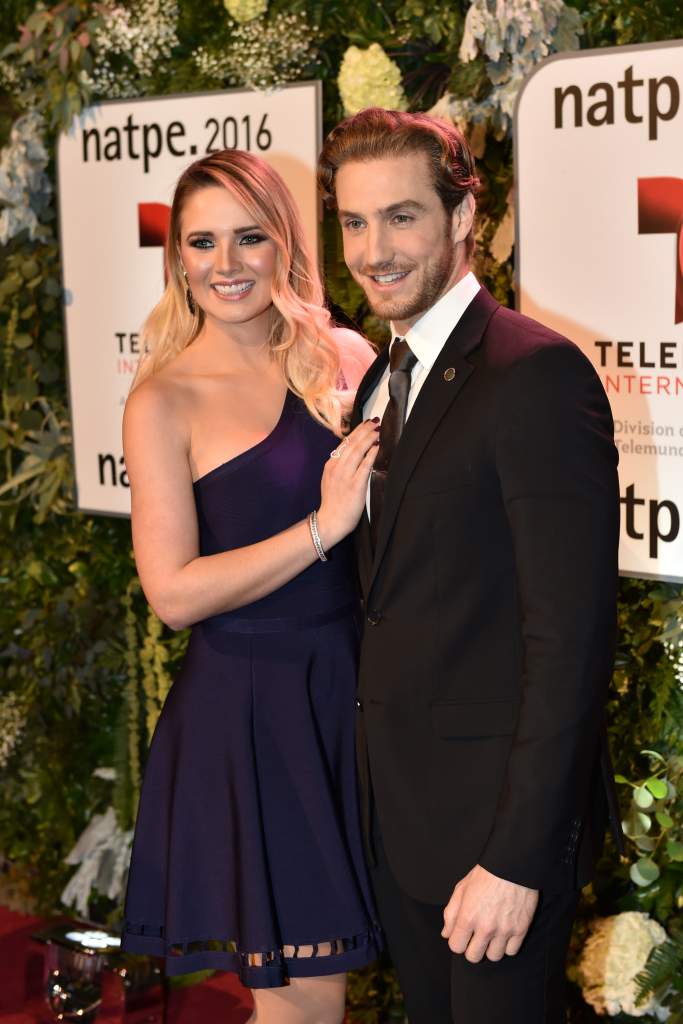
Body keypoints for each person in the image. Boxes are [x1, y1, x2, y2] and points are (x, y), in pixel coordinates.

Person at [317, 107, 622, 1024]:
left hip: (493, 842)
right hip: (402, 822)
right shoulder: (381, 377)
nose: (373, 250)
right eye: (353, 222)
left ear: (461, 220)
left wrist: (518, 859)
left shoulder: (533, 374)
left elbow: (568, 639)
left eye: (400, 217)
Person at [120, 149, 382, 1024]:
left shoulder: (343, 358)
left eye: (248, 238)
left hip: (352, 693)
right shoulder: (163, 400)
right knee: (301, 1002)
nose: (225, 265)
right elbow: (174, 593)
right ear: (177, 260)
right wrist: (320, 529)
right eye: (201, 242)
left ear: (284, 245)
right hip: (252, 712)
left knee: (332, 989)